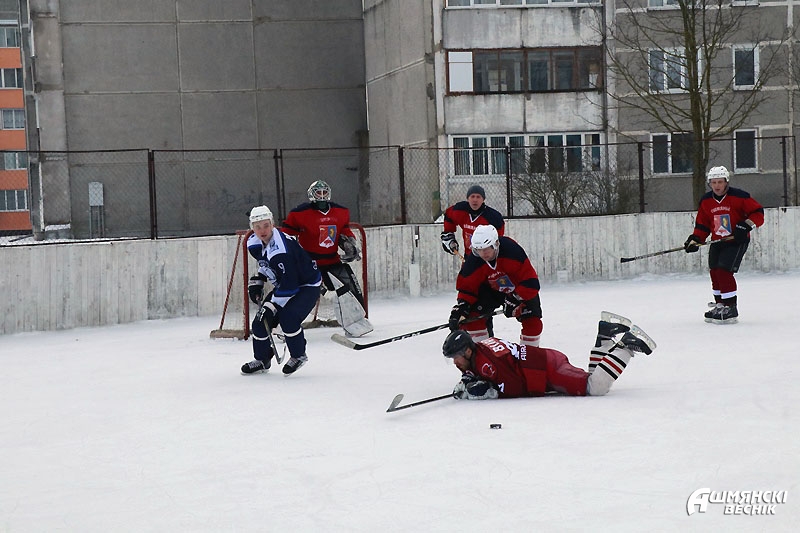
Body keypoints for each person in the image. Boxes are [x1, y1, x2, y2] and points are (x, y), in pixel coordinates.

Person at [441, 312, 656, 400]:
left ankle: (627, 345)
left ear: (467, 351)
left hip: (547, 371)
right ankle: (605, 335)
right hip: (546, 362)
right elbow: (492, 369)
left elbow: (514, 387)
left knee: (595, 387)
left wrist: (489, 391)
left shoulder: (486, 363)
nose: (455, 362)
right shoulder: (481, 349)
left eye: (456, 357)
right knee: (588, 380)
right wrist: (469, 378)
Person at [281, 180, 372, 336]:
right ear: (312, 195)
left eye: (324, 192)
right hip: (309, 263)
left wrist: (349, 243)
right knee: (301, 294)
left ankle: (355, 322)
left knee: (349, 288)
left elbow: (344, 231)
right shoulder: (299, 213)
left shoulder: (340, 211)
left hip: (332, 260)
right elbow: (286, 236)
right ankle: (284, 325)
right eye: (319, 193)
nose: (322, 196)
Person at [241, 205, 322, 375]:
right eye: (257, 227)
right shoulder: (255, 242)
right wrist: (259, 279)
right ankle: (262, 359)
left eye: (266, 225)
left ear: (272, 224)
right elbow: (267, 263)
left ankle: (298, 355)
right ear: (252, 228)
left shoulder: (280, 251)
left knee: (288, 317)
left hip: (307, 285)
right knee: (260, 322)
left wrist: (273, 305)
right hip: (286, 282)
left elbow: (290, 285)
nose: (262, 230)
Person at [683, 166, 764, 324]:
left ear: (726, 182)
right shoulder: (706, 201)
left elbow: (758, 213)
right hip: (717, 241)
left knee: (723, 271)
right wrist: (695, 239)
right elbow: (703, 224)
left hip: (736, 241)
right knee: (714, 272)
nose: (717, 185)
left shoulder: (740, 196)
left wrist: (745, 225)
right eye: (714, 182)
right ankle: (720, 305)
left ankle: (730, 307)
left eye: (720, 182)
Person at [448, 224, 543, 347]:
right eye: (478, 250)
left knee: (533, 323)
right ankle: (483, 354)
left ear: (496, 244)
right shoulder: (474, 260)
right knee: (473, 319)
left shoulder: (512, 251)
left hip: (519, 289)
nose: (483, 253)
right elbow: (467, 288)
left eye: (486, 248)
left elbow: (531, 283)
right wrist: (462, 306)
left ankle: (529, 355)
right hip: (491, 291)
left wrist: (515, 298)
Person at [440, 185, 505, 257]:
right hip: (468, 256)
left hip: (484, 257)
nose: (475, 200)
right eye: (472, 196)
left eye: (478, 197)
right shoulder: (460, 210)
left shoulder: (493, 217)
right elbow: (449, 215)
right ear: (468, 198)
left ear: (483, 199)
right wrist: (448, 235)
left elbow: (499, 239)